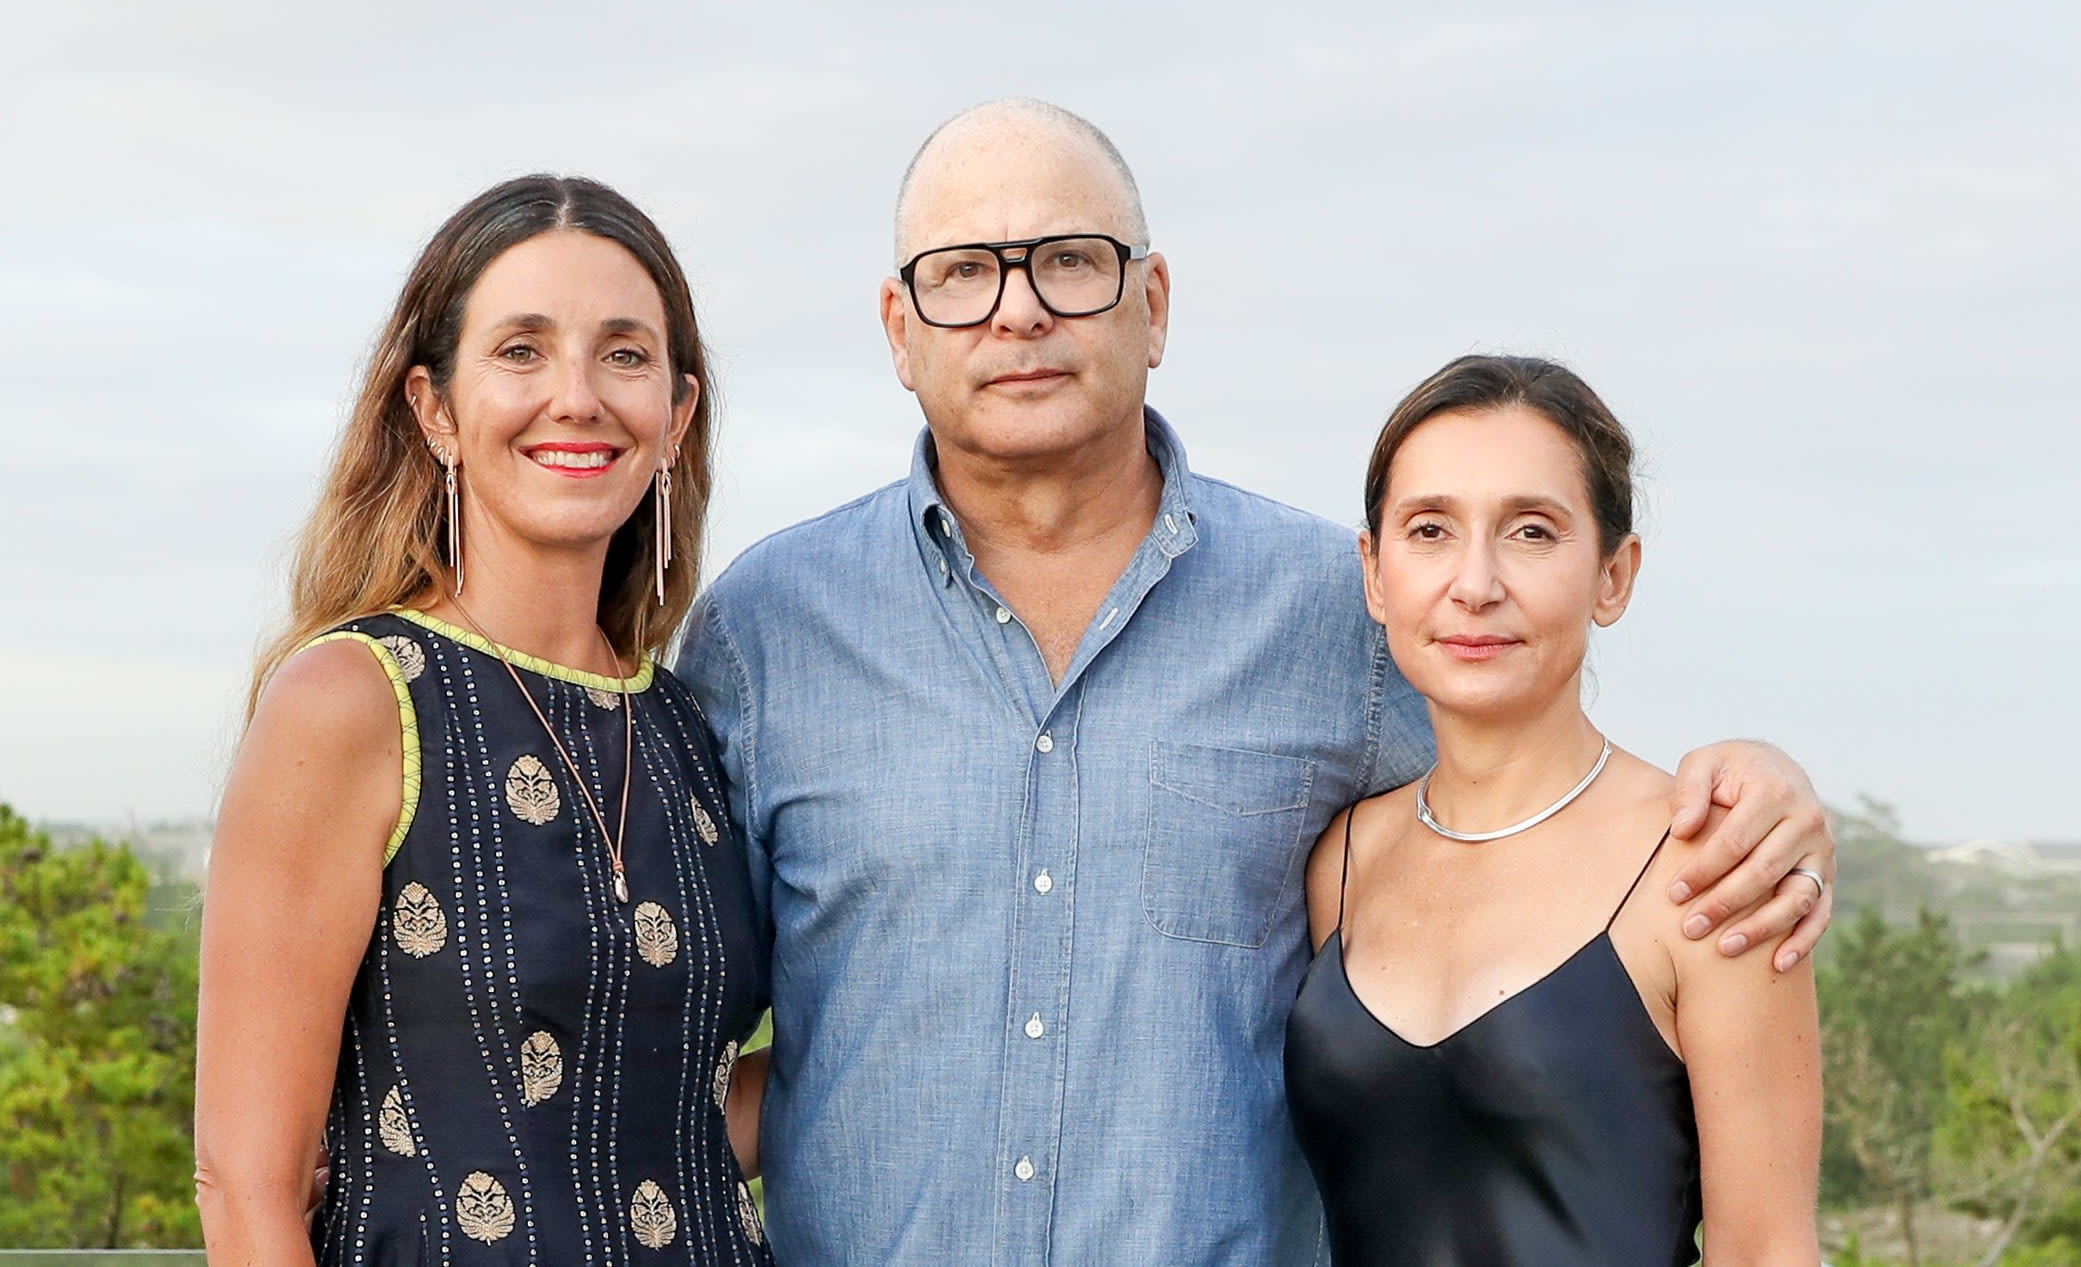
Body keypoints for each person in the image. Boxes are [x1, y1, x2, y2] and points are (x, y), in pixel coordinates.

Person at [676, 99, 1839, 1266]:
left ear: (1155, 305)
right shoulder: (767, 631)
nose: (1018, 308)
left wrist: (1762, 791)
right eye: (964, 271)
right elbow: (674, 1027)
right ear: (899, 325)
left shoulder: (1334, 614)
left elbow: (1530, 806)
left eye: (1072, 261)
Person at [195, 176, 774, 1267]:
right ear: (435, 408)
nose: (577, 395)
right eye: (521, 350)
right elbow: (246, 1186)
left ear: (676, 415)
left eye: (624, 352)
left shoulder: (695, 726)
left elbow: (676, 1122)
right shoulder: (354, 696)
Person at [1286, 355, 1822, 1266]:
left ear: (1614, 575)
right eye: (1430, 530)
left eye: (1532, 531)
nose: (1476, 582)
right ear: (1375, 573)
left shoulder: (1708, 867)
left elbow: (1768, 1250)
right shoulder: (1342, 859)